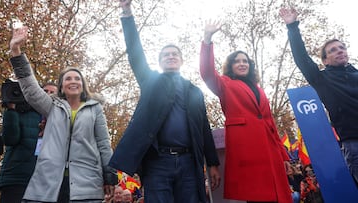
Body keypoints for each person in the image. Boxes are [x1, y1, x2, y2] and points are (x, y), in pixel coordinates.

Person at [109, 1, 220, 202]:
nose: (170, 57)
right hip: (157, 162)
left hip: (189, 162)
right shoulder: (150, 81)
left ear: (181, 60)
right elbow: (135, 54)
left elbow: (204, 128)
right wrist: (127, 13)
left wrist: (212, 163)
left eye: (174, 54)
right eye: (166, 55)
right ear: (159, 62)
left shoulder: (194, 91)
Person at [8, 25, 116, 202]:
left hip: (86, 183)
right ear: (62, 86)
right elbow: (30, 87)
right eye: (68, 79)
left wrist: (109, 173)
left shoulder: (95, 108)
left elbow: (103, 143)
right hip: (49, 183)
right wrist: (15, 49)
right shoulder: (52, 106)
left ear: (82, 84)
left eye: (77, 78)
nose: (73, 81)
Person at [200, 20, 293, 203]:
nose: (242, 64)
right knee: (256, 195)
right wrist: (207, 39)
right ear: (231, 66)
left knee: (278, 197)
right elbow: (207, 73)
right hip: (247, 149)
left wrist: (283, 156)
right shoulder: (225, 84)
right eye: (237, 61)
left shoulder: (259, 89)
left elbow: (270, 123)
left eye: (245, 61)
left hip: (270, 150)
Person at [279, 8, 358, 185]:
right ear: (325, 60)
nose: (339, 51)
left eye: (342, 48)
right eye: (332, 50)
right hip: (354, 143)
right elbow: (302, 59)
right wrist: (292, 27)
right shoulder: (322, 79)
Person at [0, 82, 57, 203]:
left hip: (46, 183)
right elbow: (9, 140)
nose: (48, 95)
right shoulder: (21, 111)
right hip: (17, 178)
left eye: (53, 93)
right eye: (45, 92)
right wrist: (11, 110)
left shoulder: (61, 119)